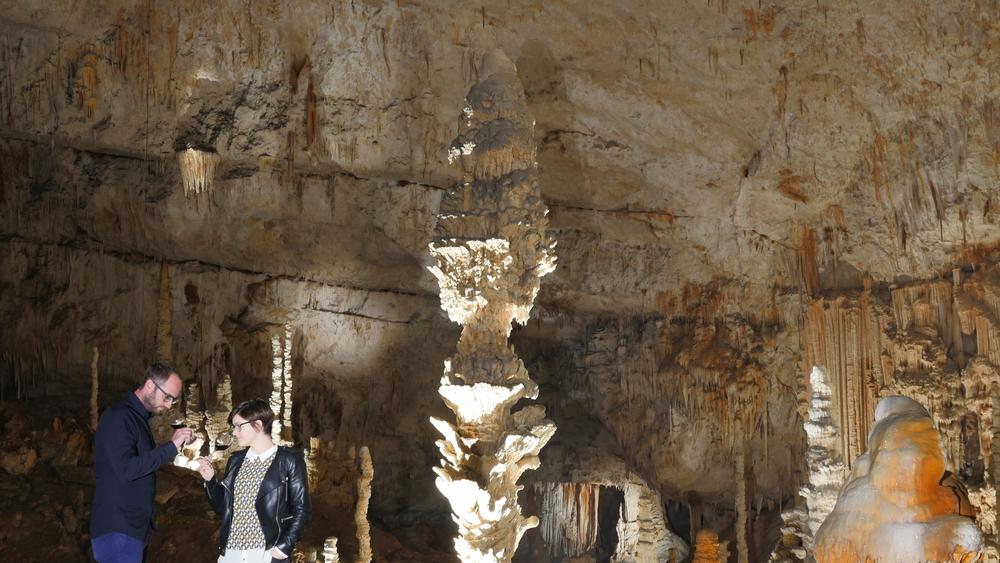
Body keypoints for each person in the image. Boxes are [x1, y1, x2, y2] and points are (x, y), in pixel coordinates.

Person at [90, 363, 194, 563]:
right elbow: (126, 469)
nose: (169, 405)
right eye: (167, 397)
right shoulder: (119, 416)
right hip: (118, 529)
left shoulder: (136, 419)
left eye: (173, 399)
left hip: (131, 529)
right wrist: (170, 447)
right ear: (149, 385)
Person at [197, 399, 310, 562]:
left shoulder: (288, 460)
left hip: (265, 553)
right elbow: (224, 510)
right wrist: (210, 480)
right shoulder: (235, 460)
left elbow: (302, 509)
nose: (234, 433)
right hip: (231, 553)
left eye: (238, 426)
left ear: (257, 425)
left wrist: (284, 547)